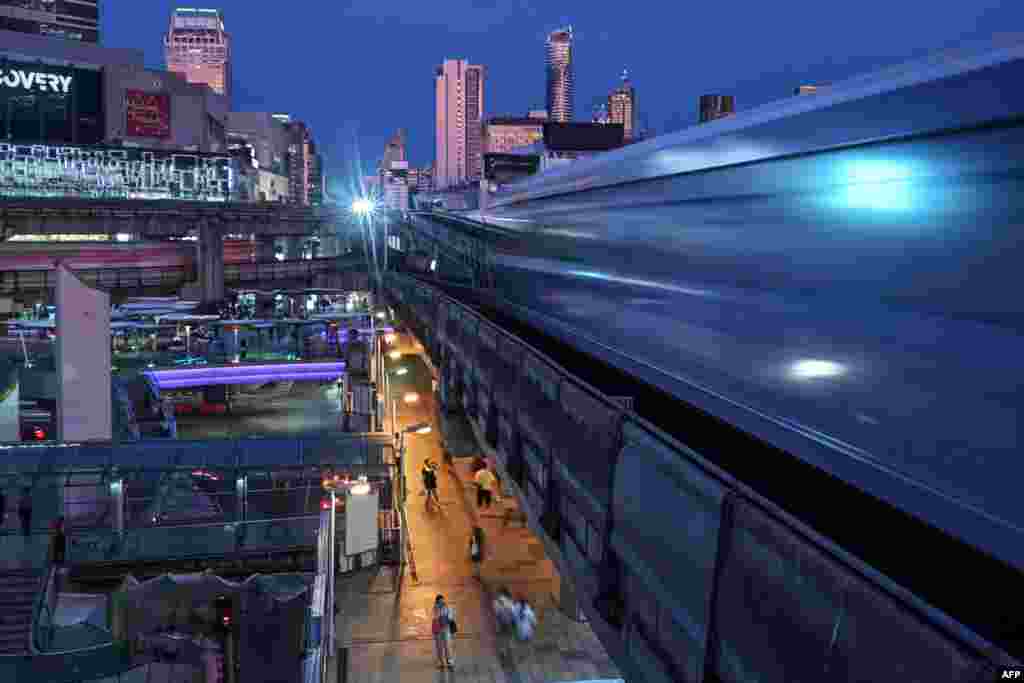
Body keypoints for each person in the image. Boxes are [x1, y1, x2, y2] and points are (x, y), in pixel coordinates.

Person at [432, 594, 456, 669]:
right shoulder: (435, 608)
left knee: (447, 646)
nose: (441, 603)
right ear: (437, 602)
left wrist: (447, 617)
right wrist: (438, 611)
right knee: (439, 647)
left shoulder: (448, 608)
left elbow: (451, 617)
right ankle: (440, 662)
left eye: (442, 601)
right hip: (438, 630)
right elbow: (434, 617)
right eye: (439, 602)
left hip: (446, 629)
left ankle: (449, 661)